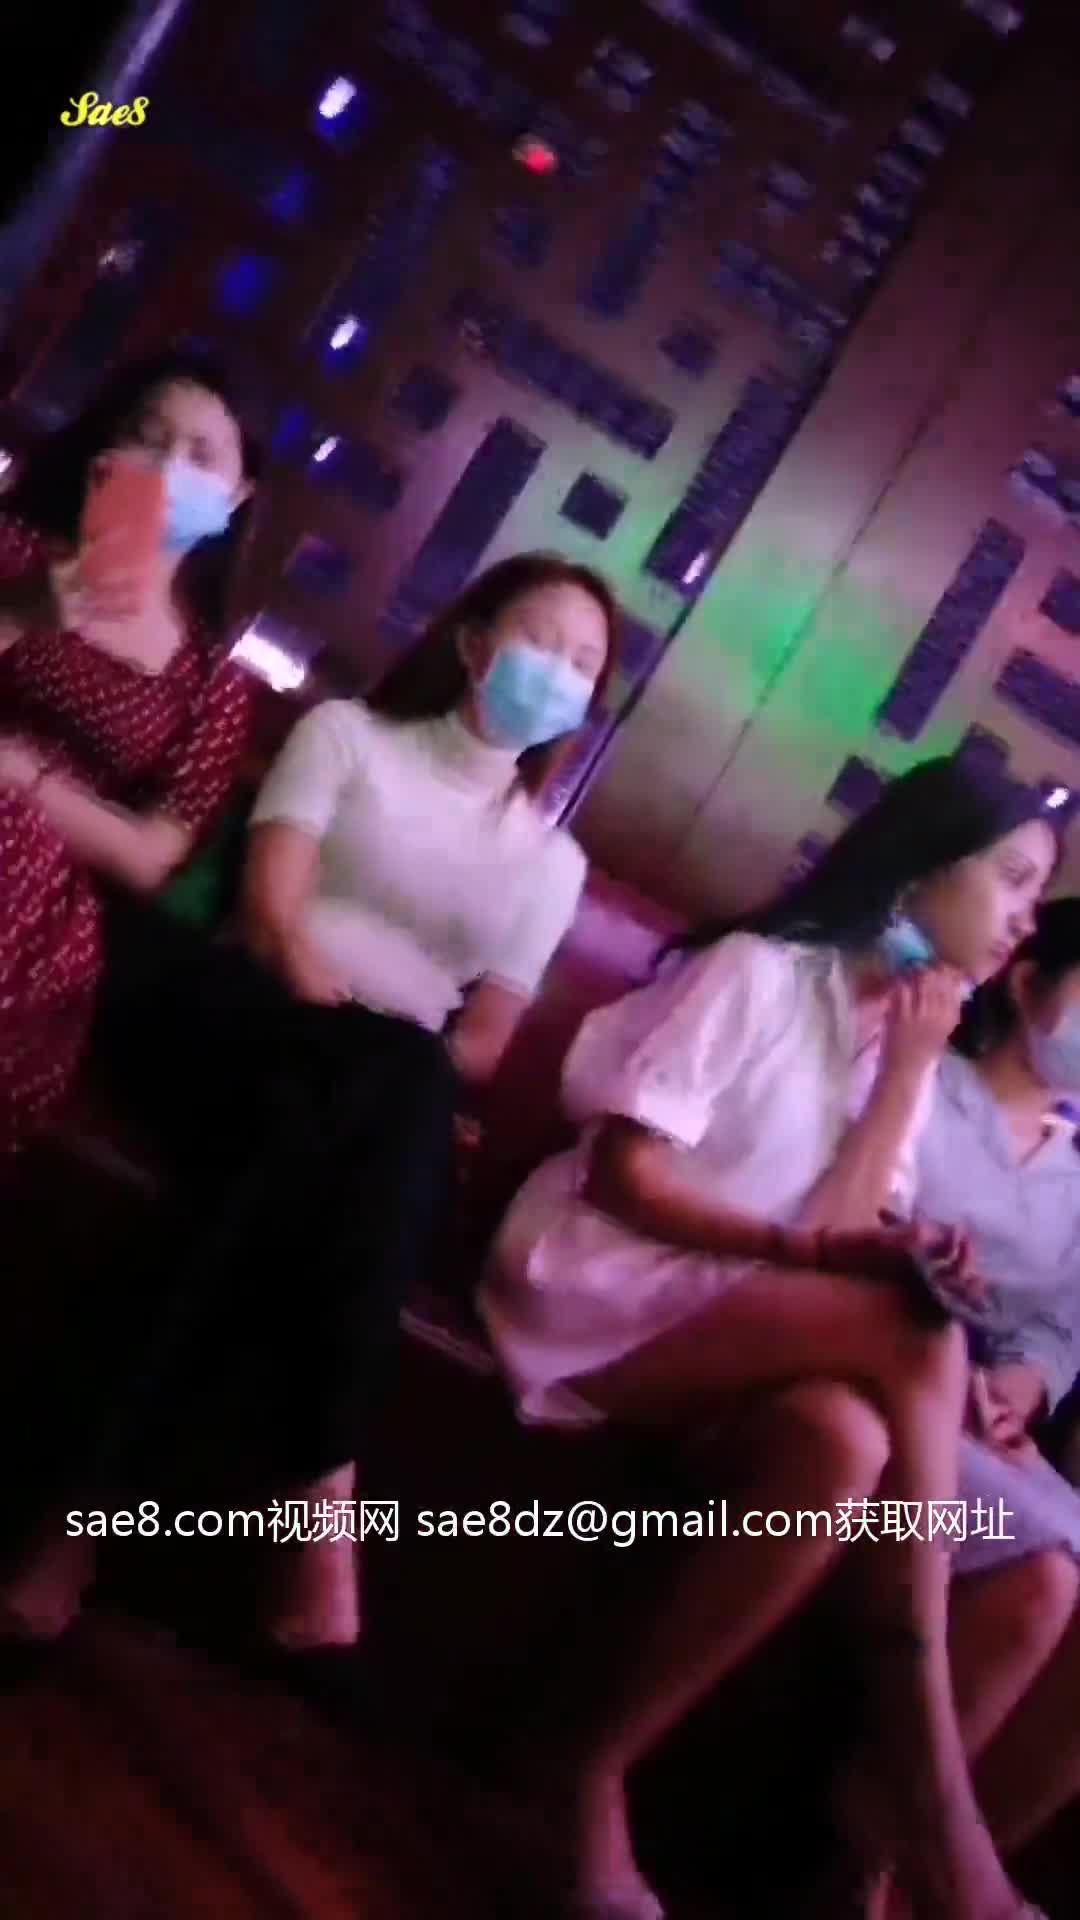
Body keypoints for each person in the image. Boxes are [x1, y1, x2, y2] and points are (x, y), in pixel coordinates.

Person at [2, 551, 617, 1654]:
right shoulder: (347, 737)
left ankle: (74, 1516)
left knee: (311, 1133)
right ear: (474, 643)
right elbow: (274, 916)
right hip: (241, 1013)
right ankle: (324, 1489)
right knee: (374, 1084)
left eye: (583, 663)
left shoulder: (551, 863)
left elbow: (482, 1040)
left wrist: (374, 1057)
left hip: (349, 1101)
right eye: (540, 641)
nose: (557, 673)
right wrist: (357, 1033)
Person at [478, 758, 1058, 1920]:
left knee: (844, 1445)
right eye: (1011, 881)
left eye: (1036, 895)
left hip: (732, 1326)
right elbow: (625, 1178)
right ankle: (935, 1796)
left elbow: (836, 1239)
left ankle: (587, 1768)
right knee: (916, 1332)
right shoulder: (759, 971)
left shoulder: (907, 1043)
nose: (1026, 919)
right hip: (593, 1287)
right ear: (927, 866)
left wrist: (902, 1079)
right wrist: (806, 1255)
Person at [858, 896, 1080, 1916]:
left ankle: (929, 1872)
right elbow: (870, 1217)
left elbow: (1058, 1329)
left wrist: (1024, 1385)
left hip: (989, 1420)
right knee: (1045, 1581)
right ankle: (886, 1852)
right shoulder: (922, 1085)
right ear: (1029, 985)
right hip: (886, 1372)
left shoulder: (1076, 1178)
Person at [0, 347, 259, 1157]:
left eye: (201, 454)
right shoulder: (12, 550)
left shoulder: (212, 685)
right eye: (148, 437)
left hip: (40, 885)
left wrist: (18, 775)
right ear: (105, 452)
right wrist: (21, 614)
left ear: (235, 498)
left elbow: (153, 856)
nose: (168, 464)